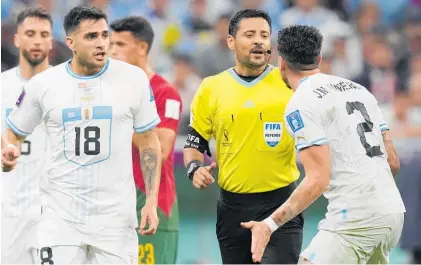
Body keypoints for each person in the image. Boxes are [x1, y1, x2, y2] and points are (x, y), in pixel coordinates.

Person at [1, 5, 162, 264]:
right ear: (70, 42)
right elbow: (13, 134)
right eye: (91, 37)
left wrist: (151, 201)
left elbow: (148, 142)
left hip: (115, 220)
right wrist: (8, 154)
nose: (101, 43)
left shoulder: (134, 80)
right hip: (61, 218)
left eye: (104, 35)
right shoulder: (44, 85)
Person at [241, 25, 406, 264]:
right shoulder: (360, 91)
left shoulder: (301, 103)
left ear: (281, 63)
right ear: (318, 58)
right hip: (392, 212)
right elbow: (393, 161)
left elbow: (318, 179)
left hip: (354, 218)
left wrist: (269, 224)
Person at [183, 9, 303, 264]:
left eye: (264, 35)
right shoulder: (211, 88)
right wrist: (194, 168)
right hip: (232, 209)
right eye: (249, 34)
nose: (258, 40)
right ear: (231, 41)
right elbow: (194, 143)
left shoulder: (290, 84)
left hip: (281, 205)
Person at [110, 16, 182, 264]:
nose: (111, 50)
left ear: (142, 48)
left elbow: (161, 149)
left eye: (120, 44)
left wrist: (117, 118)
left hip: (153, 206)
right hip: (111, 209)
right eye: (110, 44)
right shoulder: (104, 91)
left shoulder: (165, 93)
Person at [1, 7, 53, 264]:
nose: (37, 40)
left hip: (54, 213)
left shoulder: (66, 86)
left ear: (52, 41)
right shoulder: (2, 88)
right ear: (17, 39)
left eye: (44, 34)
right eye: (30, 33)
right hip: (10, 212)